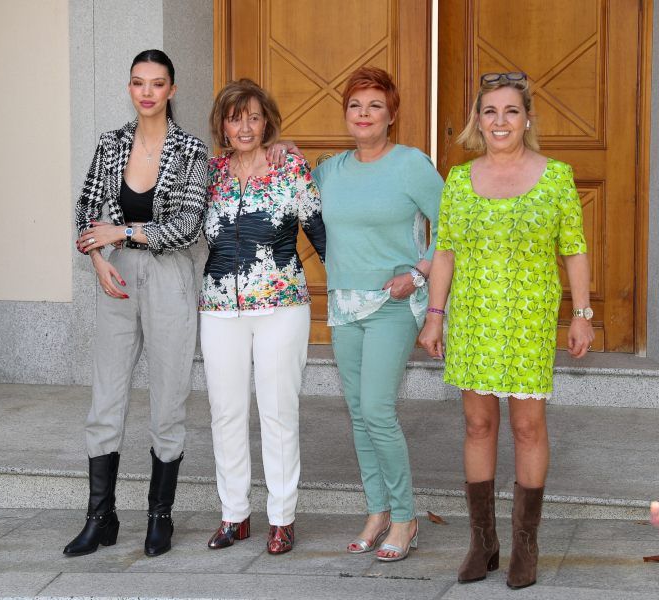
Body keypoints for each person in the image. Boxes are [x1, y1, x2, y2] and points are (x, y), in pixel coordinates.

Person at [419, 72, 594, 589]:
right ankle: (483, 542)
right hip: (473, 319)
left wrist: (581, 314)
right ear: (478, 120)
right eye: (490, 112)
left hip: (528, 320)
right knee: (477, 425)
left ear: (527, 119)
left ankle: (525, 545)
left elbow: (574, 248)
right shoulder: (458, 180)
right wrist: (435, 314)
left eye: (511, 111)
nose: (500, 121)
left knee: (527, 427)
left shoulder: (556, 177)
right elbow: (445, 252)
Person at [65, 50, 208, 558]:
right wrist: (98, 255)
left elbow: (188, 226)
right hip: (115, 278)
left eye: (157, 83)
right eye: (138, 83)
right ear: (130, 88)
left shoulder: (191, 150)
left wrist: (124, 230)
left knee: (169, 397)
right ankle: (99, 517)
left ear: (171, 90)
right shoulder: (111, 144)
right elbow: (85, 208)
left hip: (169, 277)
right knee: (106, 398)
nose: (147, 92)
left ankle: (159, 516)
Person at [312, 66, 444, 562]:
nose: (363, 114)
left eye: (374, 106)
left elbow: (451, 227)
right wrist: (280, 153)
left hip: (394, 302)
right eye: (355, 105)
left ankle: (406, 518)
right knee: (359, 415)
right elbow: (291, 191)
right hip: (344, 304)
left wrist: (421, 272)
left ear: (391, 115)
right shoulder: (330, 171)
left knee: (377, 410)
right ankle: (377, 510)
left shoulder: (411, 164)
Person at [200, 79, 326, 555]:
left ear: (267, 121)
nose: (245, 126)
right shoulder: (208, 172)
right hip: (218, 308)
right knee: (226, 412)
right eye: (236, 117)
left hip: (281, 307)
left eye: (254, 116)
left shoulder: (289, 166)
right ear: (223, 125)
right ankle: (234, 514)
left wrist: (350, 297)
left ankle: (282, 517)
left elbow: (320, 232)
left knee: (277, 411)